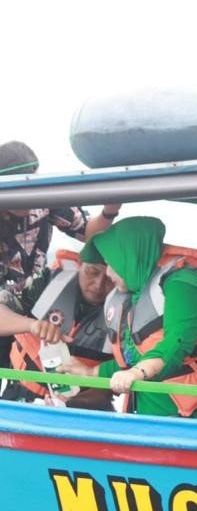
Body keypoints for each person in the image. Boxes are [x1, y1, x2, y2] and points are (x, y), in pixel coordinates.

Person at [62, 217, 197, 421]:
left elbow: (176, 343)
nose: (109, 273)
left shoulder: (185, 282)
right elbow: (133, 358)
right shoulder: (137, 292)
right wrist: (89, 372)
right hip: (162, 416)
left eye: (112, 263)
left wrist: (136, 373)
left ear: (129, 257)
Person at [0, 141, 121, 367]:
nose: (26, 196)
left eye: (30, 186)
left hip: (29, 304)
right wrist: (29, 325)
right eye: (18, 189)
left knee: (36, 364)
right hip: (5, 312)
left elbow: (89, 235)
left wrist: (110, 209)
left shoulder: (46, 202)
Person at [2, 250, 115, 410]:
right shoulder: (47, 279)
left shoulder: (125, 309)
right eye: (93, 272)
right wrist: (32, 325)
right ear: (80, 264)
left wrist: (68, 404)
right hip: (20, 397)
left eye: (109, 277)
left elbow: (117, 381)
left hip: (81, 409)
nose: (98, 285)